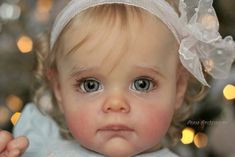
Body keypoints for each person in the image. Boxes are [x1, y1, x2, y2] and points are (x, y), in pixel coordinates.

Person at [0, 0, 234, 156]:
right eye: (90, 85)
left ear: (178, 88)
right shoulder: (41, 148)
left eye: (142, 84)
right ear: (59, 90)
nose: (115, 104)